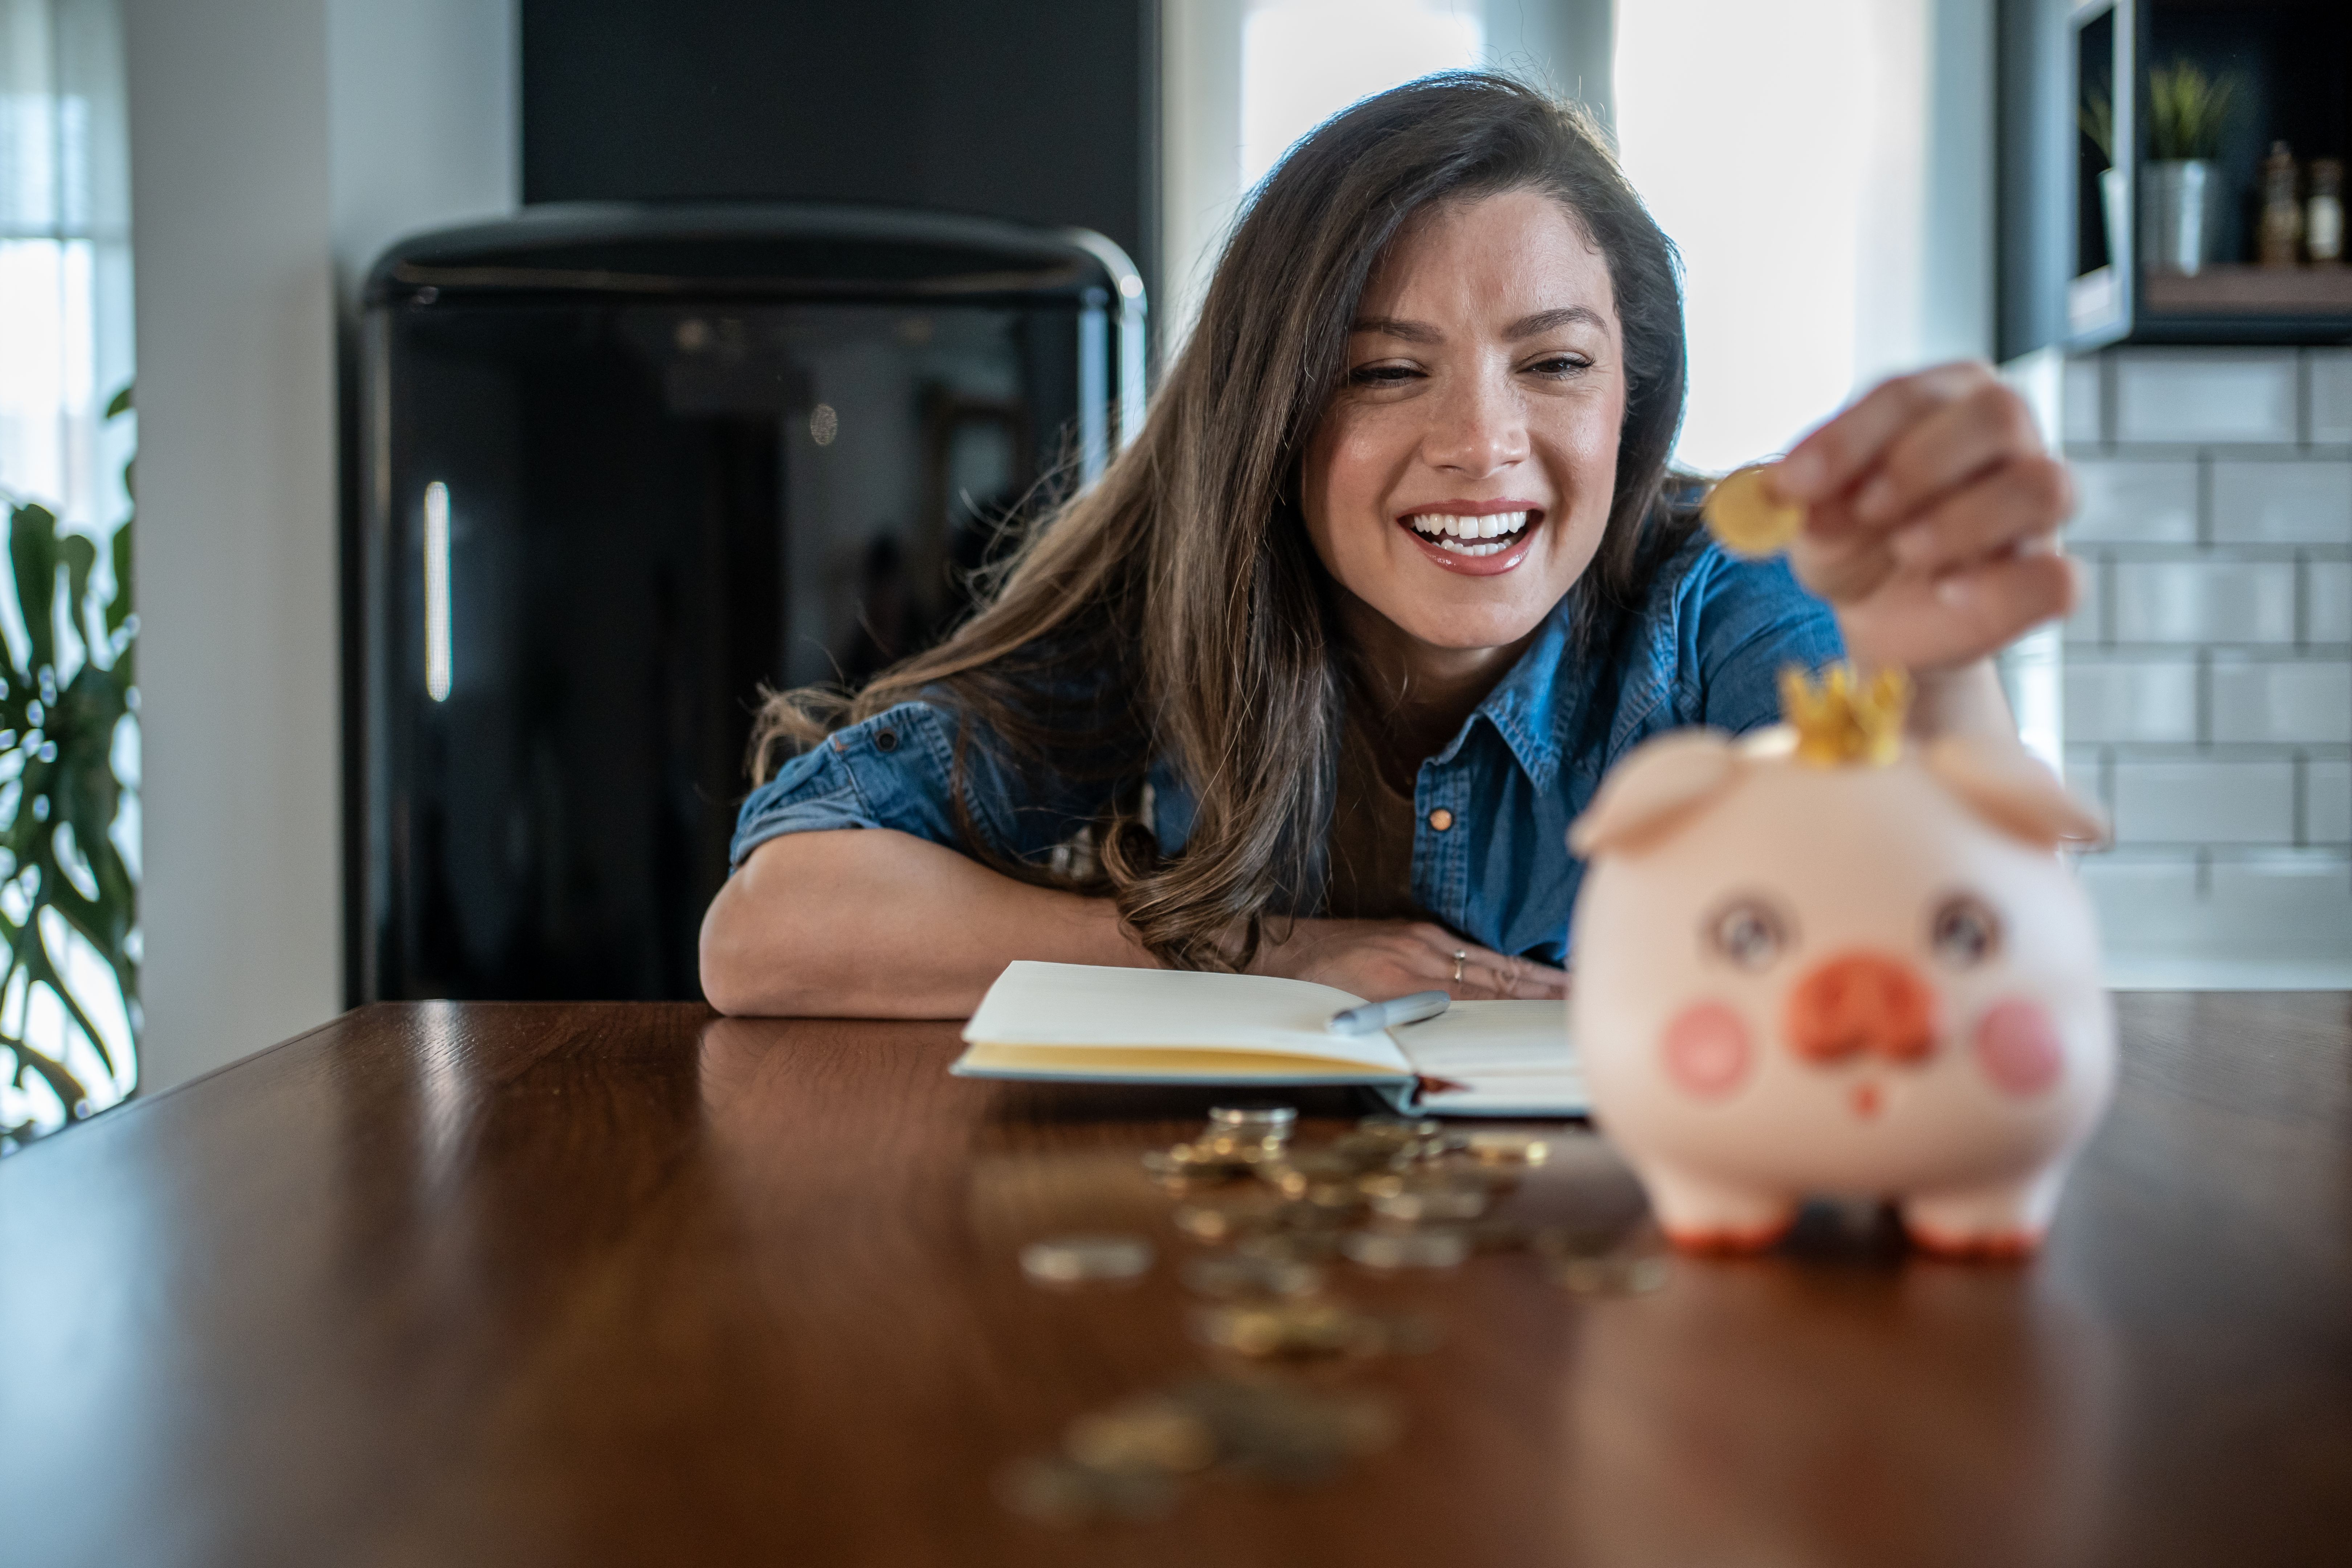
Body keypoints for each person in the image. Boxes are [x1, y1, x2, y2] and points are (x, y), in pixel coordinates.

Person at [699, 74, 2075, 1019]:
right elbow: (768, 928)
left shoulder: (1722, 596)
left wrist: (1947, 684)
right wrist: (1264, 958)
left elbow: (1975, 972)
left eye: (1554, 364)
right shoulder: (1173, 619)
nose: (1484, 445)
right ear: (1276, 414)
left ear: (1632, 404)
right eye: (1383, 374)